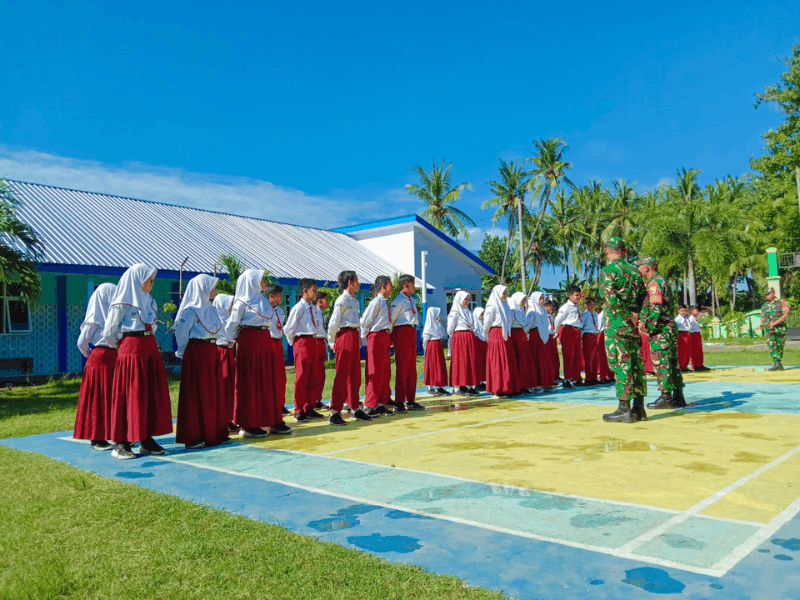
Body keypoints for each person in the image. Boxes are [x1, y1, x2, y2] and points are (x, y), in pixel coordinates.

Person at [103, 264, 172, 459]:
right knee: (129, 394)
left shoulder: (150, 300)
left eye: (153, 279)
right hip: (131, 349)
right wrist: (124, 347)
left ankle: (146, 439)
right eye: (148, 279)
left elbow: (153, 325)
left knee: (149, 394)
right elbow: (109, 331)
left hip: (149, 348)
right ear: (137, 280)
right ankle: (121, 443)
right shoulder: (122, 301)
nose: (152, 283)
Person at [174, 274, 230, 449]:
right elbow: (181, 333)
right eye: (212, 288)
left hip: (212, 350)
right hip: (197, 351)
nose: (215, 291)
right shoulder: (190, 311)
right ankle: (195, 435)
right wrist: (183, 352)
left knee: (214, 391)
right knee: (197, 393)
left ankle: (215, 431)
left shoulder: (212, 309)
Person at [599, 238, 647, 423]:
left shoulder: (609, 271)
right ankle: (639, 408)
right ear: (624, 251)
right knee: (636, 365)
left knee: (621, 365)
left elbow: (611, 299)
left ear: (607, 250)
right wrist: (638, 315)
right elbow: (643, 297)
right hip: (633, 327)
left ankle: (624, 408)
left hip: (617, 325)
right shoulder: (635, 271)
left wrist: (627, 315)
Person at [224, 269, 277, 438]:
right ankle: (249, 424)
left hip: (264, 340)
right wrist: (240, 339)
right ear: (252, 281)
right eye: (262, 279)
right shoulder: (241, 302)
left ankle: (268, 419)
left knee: (265, 381)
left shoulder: (264, 301)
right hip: (250, 342)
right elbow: (230, 326)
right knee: (250, 383)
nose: (265, 282)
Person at [636, 256, 685, 410]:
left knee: (661, 361)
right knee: (672, 361)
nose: (638, 270)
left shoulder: (654, 283)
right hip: (669, 326)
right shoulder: (662, 281)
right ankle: (678, 395)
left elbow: (656, 307)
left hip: (661, 328)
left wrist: (650, 327)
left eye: (639, 267)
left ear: (646, 267)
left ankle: (666, 396)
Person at [75, 282, 117, 451]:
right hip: (101, 359)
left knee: (113, 398)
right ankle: (97, 438)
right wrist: (91, 354)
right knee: (98, 398)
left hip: (112, 358)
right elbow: (81, 342)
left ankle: (113, 434)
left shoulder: (117, 318)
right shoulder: (94, 318)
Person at [327, 271, 371, 424]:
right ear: (350, 283)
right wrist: (331, 341)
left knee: (355, 375)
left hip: (353, 336)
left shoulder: (355, 300)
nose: (359, 283)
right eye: (357, 280)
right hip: (344, 335)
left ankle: (355, 408)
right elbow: (334, 322)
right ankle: (335, 411)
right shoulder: (342, 300)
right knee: (341, 375)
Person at [284, 278, 325, 422]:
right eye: (314, 290)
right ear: (305, 291)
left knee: (314, 375)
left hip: (313, 341)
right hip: (302, 341)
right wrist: (295, 342)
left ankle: (310, 406)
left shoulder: (313, 309)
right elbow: (288, 328)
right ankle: (299, 409)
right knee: (302, 376)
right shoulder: (298, 308)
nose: (316, 292)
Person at [361, 275, 395, 417]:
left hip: (384, 336)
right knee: (374, 371)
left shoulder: (385, 303)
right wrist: (365, 341)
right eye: (390, 285)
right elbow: (364, 321)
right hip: (375, 336)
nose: (392, 287)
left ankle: (381, 403)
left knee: (384, 371)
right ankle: (369, 405)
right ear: (383, 286)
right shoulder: (376, 302)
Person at [391, 274, 424, 411]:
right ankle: (399, 401)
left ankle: (411, 399)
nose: (414, 287)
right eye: (412, 284)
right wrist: (391, 337)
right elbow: (391, 319)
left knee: (411, 368)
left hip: (412, 331)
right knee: (402, 368)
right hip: (401, 332)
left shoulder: (412, 300)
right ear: (405, 286)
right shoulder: (398, 301)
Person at [484, 285, 520, 398]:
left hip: (505, 334)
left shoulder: (506, 305)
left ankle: (506, 388)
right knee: (497, 360)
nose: (505, 295)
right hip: (496, 333)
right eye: (503, 293)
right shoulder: (492, 306)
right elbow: (487, 322)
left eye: (506, 293)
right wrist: (486, 333)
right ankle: (496, 389)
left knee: (506, 361)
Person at [265, 283, 292, 432]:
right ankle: (269, 409)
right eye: (280, 295)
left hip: (278, 343)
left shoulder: (280, 311)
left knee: (281, 377)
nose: (282, 298)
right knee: (270, 378)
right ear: (271, 296)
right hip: (268, 342)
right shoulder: (263, 309)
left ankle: (280, 405)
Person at [213, 293, 238, 431]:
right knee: (222, 384)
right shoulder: (215, 320)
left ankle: (228, 418)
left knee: (230, 386)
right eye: (230, 304)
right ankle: (220, 419)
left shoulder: (230, 320)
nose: (232, 307)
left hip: (229, 351)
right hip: (220, 351)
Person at [447, 290, 480, 396]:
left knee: (470, 361)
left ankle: (469, 386)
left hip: (469, 337)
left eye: (468, 299)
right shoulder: (455, 312)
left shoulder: (468, 312)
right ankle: (458, 387)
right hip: (460, 338)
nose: (467, 301)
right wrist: (459, 335)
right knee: (461, 361)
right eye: (465, 299)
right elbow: (450, 329)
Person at [554, 286, 583, 389]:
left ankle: (576, 378)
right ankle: (567, 379)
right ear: (570, 295)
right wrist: (556, 331)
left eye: (579, 295)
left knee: (577, 355)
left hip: (577, 330)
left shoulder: (577, 307)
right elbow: (558, 319)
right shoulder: (566, 307)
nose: (578, 297)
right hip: (568, 330)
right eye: (576, 295)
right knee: (568, 355)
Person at [509, 292, 537, 393]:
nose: (524, 302)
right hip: (514, 334)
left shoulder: (521, 311)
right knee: (517, 360)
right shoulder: (512, 310)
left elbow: (525, 323)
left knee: (524, 360)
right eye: (522, 300)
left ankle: (524, 384)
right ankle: (517, 385)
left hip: (522, 335)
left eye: (525, 300)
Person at [528, 291, 555, 391]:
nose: (542, 300)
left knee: (545, 360)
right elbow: (528, 325)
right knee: (536, 360)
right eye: (540, 298)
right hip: (535, 336)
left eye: (543, 298)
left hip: (544, 337)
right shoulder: (531, 311)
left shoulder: (543, 310)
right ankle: (536, 383)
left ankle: (546, 382)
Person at [761, 287, 791, 371]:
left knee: (780, 345)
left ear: (773, 293)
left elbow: (786, 313)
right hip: (770, 329)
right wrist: (762, 324)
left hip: (780, 328)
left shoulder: (781, 302)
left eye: (769, 294)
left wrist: (776, 322)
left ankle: (778, 363)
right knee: (771, 343)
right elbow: (763, 316)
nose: (767, 296)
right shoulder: (764, 305)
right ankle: (777, 362)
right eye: (766, 294)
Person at [422, 306, 448, 397]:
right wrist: (425, 348)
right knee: (431, 365)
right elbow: (425, 338)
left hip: (438, 345)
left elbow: (442, 334)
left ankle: (440, 386)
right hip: (432, 346)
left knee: (439, 366)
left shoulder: (437, 325)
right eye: (437, 314)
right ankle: (430, 388)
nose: (438, 316)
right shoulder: (429, 326)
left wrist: (439, 324)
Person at [313, 292, 330, 410]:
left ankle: (317, 399)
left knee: (320, 373)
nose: (327, 303)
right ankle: (312, 400)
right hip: (315, 341)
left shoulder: (321, 313)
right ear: (320, 300)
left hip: (321, 342)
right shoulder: (313, 311)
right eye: (326, 300)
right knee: (314, 372)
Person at [580, 297, 601, 386]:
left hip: (595, 335)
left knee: (595, 357)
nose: (592, 306)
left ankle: (594, 377)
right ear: (586, 305)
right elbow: (581, 326)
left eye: (593, 304)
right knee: (589, 357)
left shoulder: (596, 315)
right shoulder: (584, 315)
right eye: (590, 304)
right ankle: (588, 378)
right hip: (588, 335)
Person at [596, 299, 614, 384]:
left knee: (611, 355)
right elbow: (599, 327)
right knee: (603, 356)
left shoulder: (610, 314)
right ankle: (603, 376)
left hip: (610, 334)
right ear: (601, 306)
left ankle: (611, 375)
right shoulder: (600, 316)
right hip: (603, 333)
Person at [545, 300, 561, 381]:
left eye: (550, 305)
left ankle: (556, 374)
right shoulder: (543, 316)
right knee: (548, 357)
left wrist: (556, 333)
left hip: (553, 337)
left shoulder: (553, 316)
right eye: (547, 306)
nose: (549, 307)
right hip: (546, 337)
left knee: (555, 357)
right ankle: (549, 375)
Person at [688, 306, 709, 371]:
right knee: (694, 350)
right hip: (693, 334)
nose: (698, 312)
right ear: (691, 311)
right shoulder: (691, 319)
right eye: (696, 311)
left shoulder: (695, 318)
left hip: (697, 334)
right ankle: (695, 365)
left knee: (699, 350)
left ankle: (700, 364)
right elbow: (689, 328)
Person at [472, 306, 488, 390]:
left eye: (483, 314)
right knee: (478, 363)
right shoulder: (474, 324)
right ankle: (477, 382)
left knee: (484, 363)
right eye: (481, 314)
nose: (483, 316)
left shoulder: (484, 323)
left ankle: (482, 381)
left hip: (484, 344)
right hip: (477, 345)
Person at [675, 305, 692, 372]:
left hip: (687, 333)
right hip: (681, 334)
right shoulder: (677, 319)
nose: (684, 312)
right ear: (678, 311)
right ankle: (681, 366)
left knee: (687, 351)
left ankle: (685, 365)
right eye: (682, 311)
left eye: (685, 311)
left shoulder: (686, 318)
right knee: (682, 351)